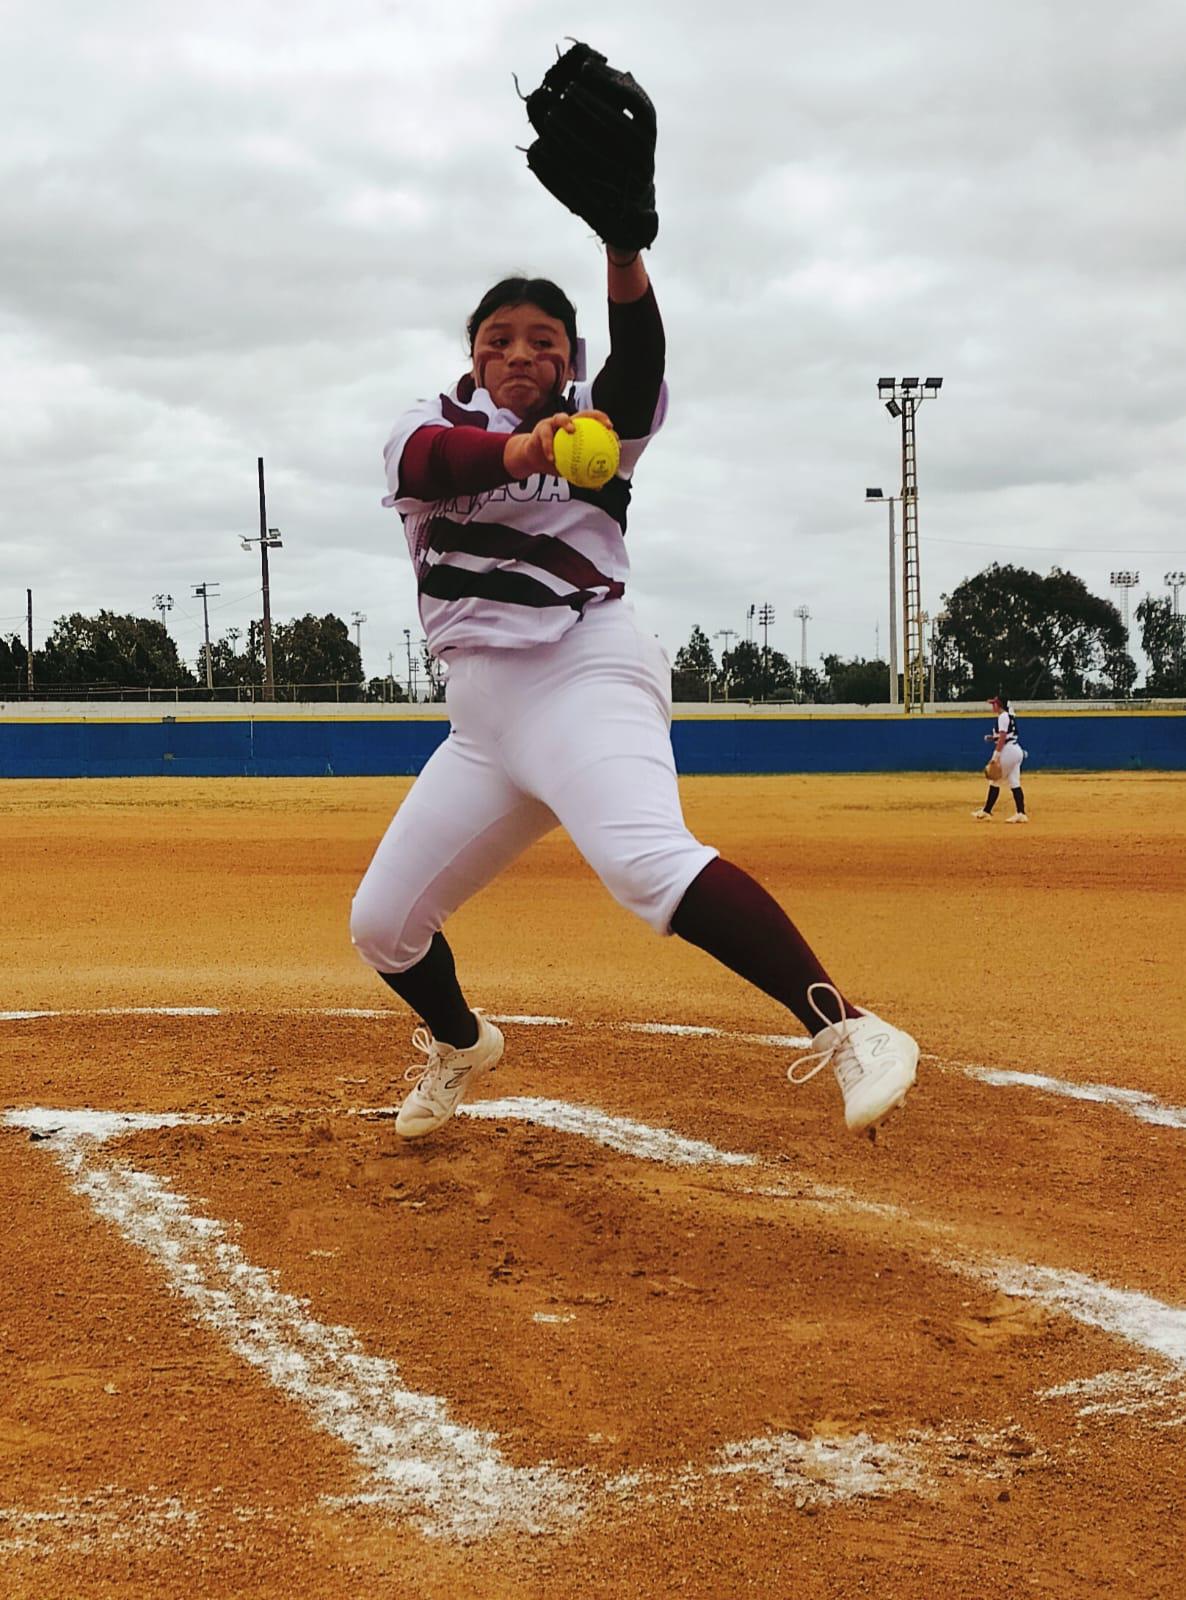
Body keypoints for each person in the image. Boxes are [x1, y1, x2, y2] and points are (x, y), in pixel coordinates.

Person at [350, 50, 920, 1143]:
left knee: (643, 862)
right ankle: (464, 1043)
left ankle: (847, 1027)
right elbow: (443, 465)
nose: (522, 351)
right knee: (382, 923)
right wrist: (529, 445)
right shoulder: (426, 426)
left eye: (545, 343)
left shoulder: (604, 430)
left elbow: (637, 356)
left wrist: (623, 249)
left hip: (581, 668)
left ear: (569, 365)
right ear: (470, 357)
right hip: (480, 716)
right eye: (500, 339)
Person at [973, 694, 1029, 822]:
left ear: (999, 705)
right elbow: (1008, 734)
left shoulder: (1003, 716)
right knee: (1014, 782)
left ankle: (986, 811)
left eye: (994, 704)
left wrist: (996, 756)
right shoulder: (1009, 715)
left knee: (995, 779)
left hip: (1008, 750)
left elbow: (1003, 736)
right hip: (1016, 750)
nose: (993, 706)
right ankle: (1021, 813)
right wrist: (993, 738)